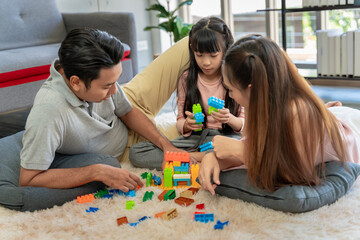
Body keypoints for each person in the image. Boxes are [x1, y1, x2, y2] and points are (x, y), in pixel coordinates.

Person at [19, 28, 185, 192]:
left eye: (116, 81)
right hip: (129, 148)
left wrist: (165, 144)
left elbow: (127, 111)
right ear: (76, 82)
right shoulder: (48, 112)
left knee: (188, 44)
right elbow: (28, 179)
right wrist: (96, 172)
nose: (115, 90)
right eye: (107, 86)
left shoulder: (92, 75)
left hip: (132, 106)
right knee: (198, 150)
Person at [199, 34, 360, 195]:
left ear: (251, 88)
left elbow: (293, 175)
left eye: (231, 90)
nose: (231, 95)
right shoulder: (259, 104)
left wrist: (239, 150)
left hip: (333, 139)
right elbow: (255, 148)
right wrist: (213, 158)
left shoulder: (297, 114)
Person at [129, 17, 245, 169]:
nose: (206, 62)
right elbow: (180, 120)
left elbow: (242, 124)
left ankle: (190, 159)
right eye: (199, 55)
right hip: (196, 139)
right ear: (192, 50)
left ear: (225, 51)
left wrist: (229, 118)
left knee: (244, 151)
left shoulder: (234, 78)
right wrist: (187, 125)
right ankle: (206, 159)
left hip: (226, 137)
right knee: (137, 152)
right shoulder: (186, 78)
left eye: (213, 55)